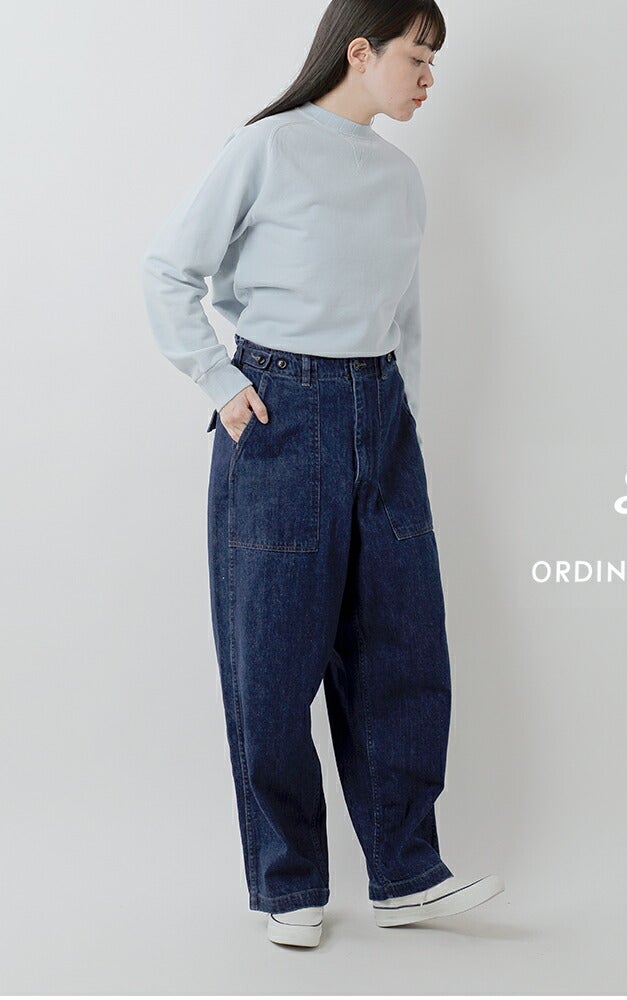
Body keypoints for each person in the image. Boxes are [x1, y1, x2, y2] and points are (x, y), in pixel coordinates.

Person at [141, 0, 503, 948]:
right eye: (418, 56)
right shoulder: (266, 148)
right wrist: (221, 383)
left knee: (403, 649)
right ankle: (288, 884)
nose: (429, 77)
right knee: (272, 661)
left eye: (435, 60)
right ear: (360, 50)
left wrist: (403, 419)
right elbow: (168, 270)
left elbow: (405, 316)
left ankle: (407, 873)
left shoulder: (401, 178)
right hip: (279, 414)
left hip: (381, 417)